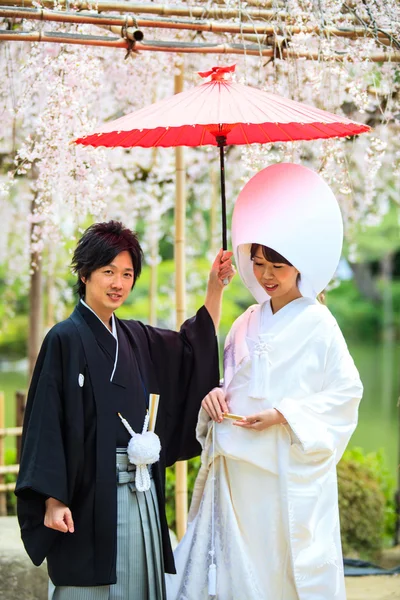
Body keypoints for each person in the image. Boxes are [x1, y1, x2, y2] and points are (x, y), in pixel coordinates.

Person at [167, 163, 363, 600]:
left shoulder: (320, 324)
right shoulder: (245, 322)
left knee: (283, 569)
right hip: (240, 473)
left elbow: (346, 393)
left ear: (300, 267)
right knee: (242, 572)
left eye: (277, 265)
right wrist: (215, 397)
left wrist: (283, 414)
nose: (266, 275)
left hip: (286, 471)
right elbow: (230, 382)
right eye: (257, 263)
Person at [15, 220, 235, 600]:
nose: (118, 283)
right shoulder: (63, 339)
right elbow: (45, 423)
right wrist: (52, 499)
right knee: (86, 588)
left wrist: (215, 287)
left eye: (127, 274)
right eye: (108, 272)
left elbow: (190, 349)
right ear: (85, 274)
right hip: (85, 497)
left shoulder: (136, 336)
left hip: (141, 489)